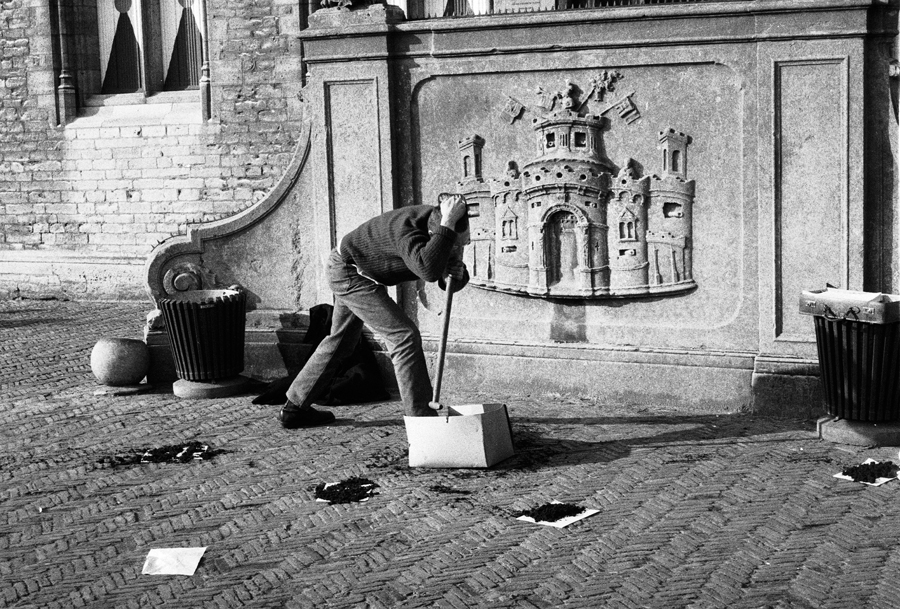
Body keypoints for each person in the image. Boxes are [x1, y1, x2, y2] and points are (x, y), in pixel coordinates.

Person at [280, 193, 471, 428]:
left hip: (358, 270)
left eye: (463, 244)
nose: (459, 249)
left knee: (341, 341)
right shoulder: (409, 230)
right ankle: (422, 422)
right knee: (404, 336)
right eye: (454, 244)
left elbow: (445, 276)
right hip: (348, 271)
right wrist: (448, 226)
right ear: (437, 232)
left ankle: (294, 408)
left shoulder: (440, 228)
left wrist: (457, 274)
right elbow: (429, 270)